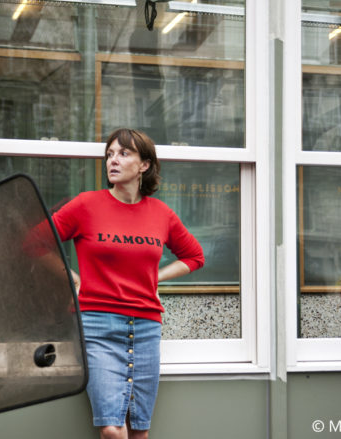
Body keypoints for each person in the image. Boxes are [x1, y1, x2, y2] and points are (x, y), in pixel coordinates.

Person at [51, 128, 205, 439]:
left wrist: (154, 277)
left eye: (123, 153)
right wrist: (73, 276)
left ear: (144, 164)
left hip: (146, 328)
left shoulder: (161, 214)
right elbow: (35, 242)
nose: (113, 161)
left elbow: (194, 256)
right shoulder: (86, 205)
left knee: (139, 431)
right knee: (112, 429)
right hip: (97, 326)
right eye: (109, 155)